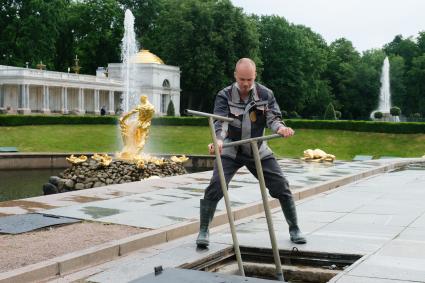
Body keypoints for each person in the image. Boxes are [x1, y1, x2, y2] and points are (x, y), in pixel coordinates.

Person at [196, 58, 306, 248]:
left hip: (258, 148)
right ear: (235, 76)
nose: (246, 84)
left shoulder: (266, 94)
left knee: (282, 186)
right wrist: (219, 140)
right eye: (242, 80)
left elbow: (273, 118)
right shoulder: (224, 95)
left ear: (255, 76)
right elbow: (220, 123)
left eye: (249, 79)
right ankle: (204, 230)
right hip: (232, 148)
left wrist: (280, 129)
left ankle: (294, 228)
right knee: (216, 185)